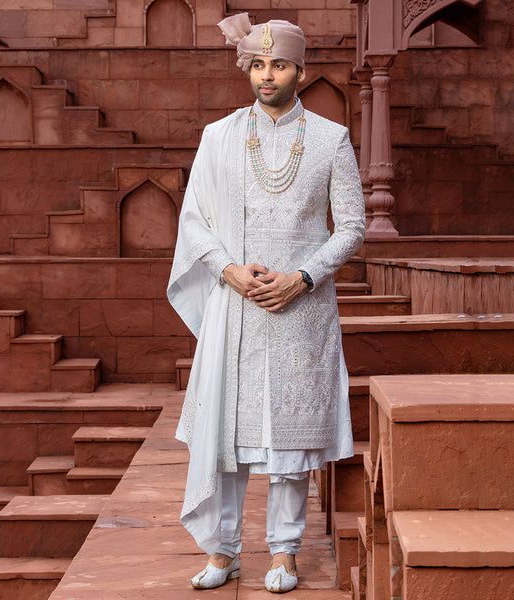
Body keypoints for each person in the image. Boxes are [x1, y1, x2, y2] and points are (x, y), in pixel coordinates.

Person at [167, 12, 365, 594]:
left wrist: (303, 277)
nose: (267, 75)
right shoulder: (219, 137)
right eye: (257, 64)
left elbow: (351, 228)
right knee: (227, 434)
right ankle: (222, 550)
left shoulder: (331, 139)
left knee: (289, 442)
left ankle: (284, 552)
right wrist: (228, 271)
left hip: (301, 309)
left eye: (279, 64)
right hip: (238, 305)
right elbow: (194, 220)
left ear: (301, 70)